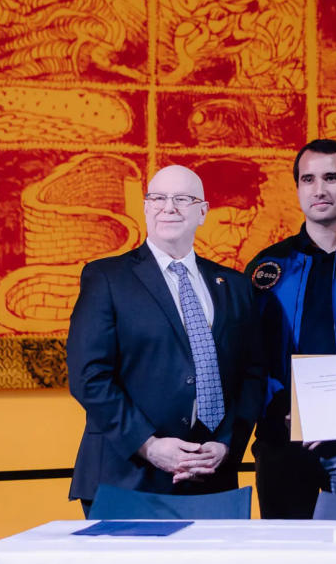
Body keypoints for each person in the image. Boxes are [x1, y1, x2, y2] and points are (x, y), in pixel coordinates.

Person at [67, 165, 264, 516]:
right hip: (127, 475)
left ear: (202, 211)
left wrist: (226, 444)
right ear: (145, 207)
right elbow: (89, 377)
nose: (168, 207)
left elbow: (251, 374)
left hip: (210, 478)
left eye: (182, 199)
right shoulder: (106, 278)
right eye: (157, 198)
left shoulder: (234, 286)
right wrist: (149, 445)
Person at [244, 139, 336, 519]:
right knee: (286, 560)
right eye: (308, 179)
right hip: (283, 438)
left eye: (331, 177)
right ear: (297, 189)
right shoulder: (267, 269)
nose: (320, 189)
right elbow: (248, 357)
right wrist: (283, 412)